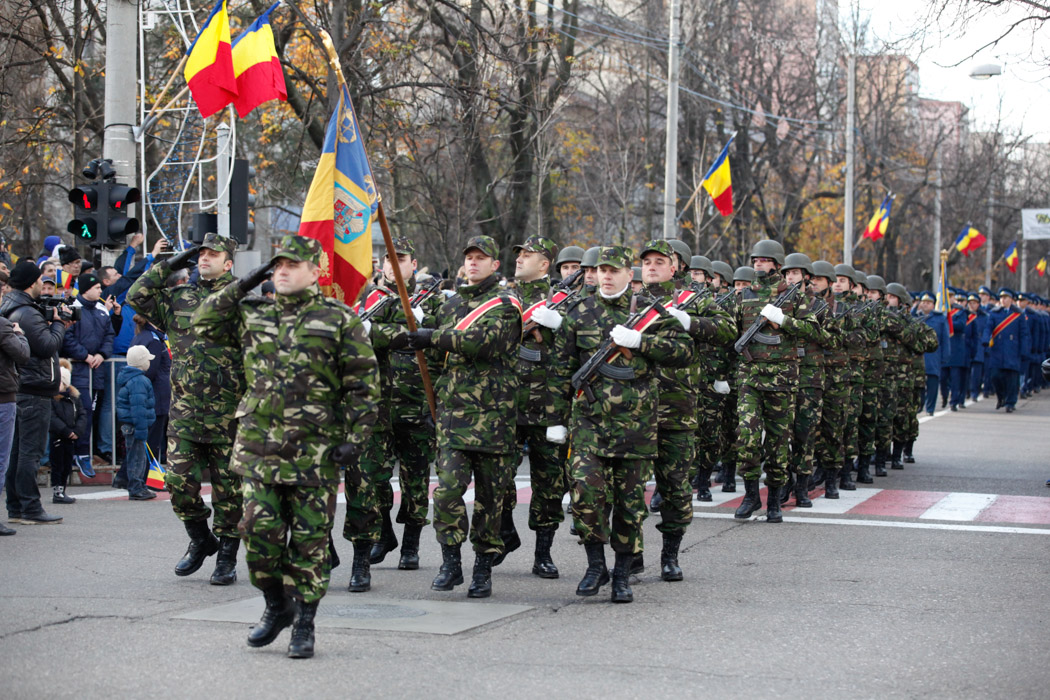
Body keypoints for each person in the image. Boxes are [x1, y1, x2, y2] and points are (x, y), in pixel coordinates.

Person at [191, 235, 379, 659]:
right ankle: (276, 606)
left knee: (310, 542)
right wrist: (241, 284)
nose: (282, 270)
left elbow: (364, 387)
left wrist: (354, 440)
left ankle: (305, 623)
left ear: (316, 271)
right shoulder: (253, 313)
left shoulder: (338, 319)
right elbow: (202, 321)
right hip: (258, 451)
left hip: (315, 455)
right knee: (258, 536)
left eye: (293, 264)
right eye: (277, 264)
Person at [552, 245, 690, 602]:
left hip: (636, 426)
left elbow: (683, 352)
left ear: (631, 275)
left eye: (615, 270)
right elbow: (559, 368)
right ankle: (595, 564)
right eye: (602, 270)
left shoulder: (650, 313)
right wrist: (556, 419)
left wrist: (643, 341)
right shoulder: (579, 311)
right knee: (584, 493)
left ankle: (622, 575)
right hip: (589, 424)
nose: (607, 276)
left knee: (630, 506)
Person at [399, 235, 521, 599]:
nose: (473, 263)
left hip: (494, 420)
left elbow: (483, 342)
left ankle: (482, 568)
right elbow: (433, 360)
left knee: (490, 499)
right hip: (454, 419)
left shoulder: (505, 304)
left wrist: (432, 335)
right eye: (469, 257)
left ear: (494, 265)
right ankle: (451, 562)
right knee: (448, 492)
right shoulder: (450, 305)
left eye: (481, 258)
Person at [126, 233, 246, 585]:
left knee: (230, 492)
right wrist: (173, 263)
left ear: (229, 262)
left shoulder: (240, 300)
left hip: (229, 415)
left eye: (213, 253)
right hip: (186, 413)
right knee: (177, 481)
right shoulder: (181, 297)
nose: (204, 258)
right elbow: (137, 296)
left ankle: (226, 557)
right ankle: (200, 538)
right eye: (200, 253)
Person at [343, 235, 441, 591]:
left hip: (416, 405)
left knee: (415, 482)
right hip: (377, 407)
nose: (392, 265)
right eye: (387, 259)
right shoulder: (368, 299)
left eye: (400, 259)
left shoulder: (430, 301)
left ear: (413, 264)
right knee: (373, 481)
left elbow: (432, 338)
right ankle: (383, 536)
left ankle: (411, 546)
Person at [729, 240, 824, 523]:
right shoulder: (743, 296)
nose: (758, 263)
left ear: (777, 265)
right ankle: (749, 495)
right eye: (755, 259)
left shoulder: (795, 298)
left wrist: (783, 320)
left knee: (778, 444)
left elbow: (815, 333)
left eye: (764, 259)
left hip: (783, 380)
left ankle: (773, 500)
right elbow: (728, 334)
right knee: (746, 437)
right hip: (750, 378)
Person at [500, 235, 567, 578]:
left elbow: (579, 345)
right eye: (518, 253)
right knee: (496, 477)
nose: (520, 258)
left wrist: (561, 325)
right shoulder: (500, 297)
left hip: (546, 406)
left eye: (529, 255)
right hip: (505, 404)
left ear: (544, 264)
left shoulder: (562, 300)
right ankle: (504, 531)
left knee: (549, 482)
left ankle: (543, 553)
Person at [2, 259, 71, 525]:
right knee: (29, 452)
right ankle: (30, 507)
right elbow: (44, 347)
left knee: (17, 452)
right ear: (33, 283)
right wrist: (58, 325)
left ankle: (16, 508)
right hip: (34, 389)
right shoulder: (26, 313)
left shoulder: (13, 308)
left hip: (22, 387)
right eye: (41, 280)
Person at [62, 272, 114, 478]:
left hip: (96, 373)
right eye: (97, 288)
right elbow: (66, 337)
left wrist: (101, 354)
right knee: (79, 414)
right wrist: (85, 356)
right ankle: (80, 453)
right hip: (79, 373)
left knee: (91, 414)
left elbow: (109, 336)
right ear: (85, 289)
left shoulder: (102, 311)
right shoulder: (73, 309)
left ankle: (86, 452)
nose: (101, 291)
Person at [0, 296, 29, 535]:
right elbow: (22, 353)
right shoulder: (2, 325)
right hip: (2, 397)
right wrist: (19, 333)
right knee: (1, 459)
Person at [115, 345, 158, 500]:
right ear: (141, 362)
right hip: (136, 426)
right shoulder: (139, 381)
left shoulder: (132, 379)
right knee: (137, 457)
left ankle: (137, 485)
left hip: (131, 425)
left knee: (135, 455)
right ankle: (136, 487)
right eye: (147, 360)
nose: (149, 363)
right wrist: (141, 428)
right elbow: (138, 407)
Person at [129, 315, 171, 467]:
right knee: (151, 443)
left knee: (143, 442)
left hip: (148, 396)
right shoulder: (153, 340)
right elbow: (151, 371)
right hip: (156, 397)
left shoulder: (141, 336)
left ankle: (135, 477)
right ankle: (144, 478)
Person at [983, 288, 1028, 413]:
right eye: (1001, 298)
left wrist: (1024, 350)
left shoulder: (1018, 314)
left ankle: (1010, 402)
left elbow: (1024, 334)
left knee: (1012, 379)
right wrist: (985, 339)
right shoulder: (995, 313)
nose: (1003, 300)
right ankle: (1001, 396)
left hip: (1012, 350)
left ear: (1011, 300)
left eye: (1006, 298)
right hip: (997, 350)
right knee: (995, 376)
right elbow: (988, 328)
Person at [48, 361, 88, 504]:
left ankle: (62, 489)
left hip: (71, 437)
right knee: (57, 465)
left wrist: (77, 431)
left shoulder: (74, 397)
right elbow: (52, 418)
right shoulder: (52, 399)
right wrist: (66, 431)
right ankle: (57, 491)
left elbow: (82, 415)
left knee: (66, 465)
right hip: (58, 437)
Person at [916, 292, 950, 416]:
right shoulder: (915, 316)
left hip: (933, 355)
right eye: (923, 302)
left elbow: (945, 339)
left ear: (933, 305)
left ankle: (930, 407)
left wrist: (945, 357)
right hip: (918, 355)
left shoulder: (940, 319)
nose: (925, 304)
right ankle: (920, 405)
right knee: (918, 383)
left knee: (932, 382)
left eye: (928, 302)